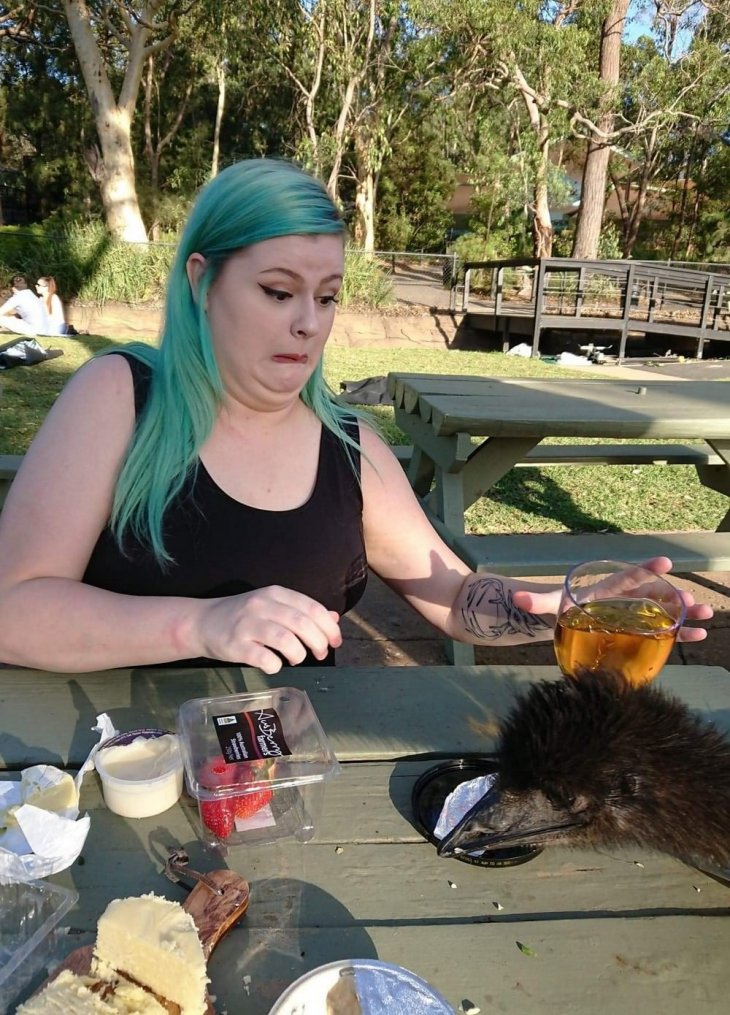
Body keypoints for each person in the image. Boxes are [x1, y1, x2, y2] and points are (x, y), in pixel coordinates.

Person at [0, 159, 712, 673]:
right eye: (278, 291)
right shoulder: (120, 397)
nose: (308, 323)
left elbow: (453, 596)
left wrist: (559, 606)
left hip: (287, 783)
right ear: (202, 281)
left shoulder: (351, 449)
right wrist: (204, 623)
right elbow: (13, 609)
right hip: (122, 773)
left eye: (327, 296)